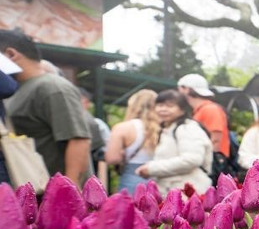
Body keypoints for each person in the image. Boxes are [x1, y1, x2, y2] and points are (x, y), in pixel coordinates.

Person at [0, 28, 93, 185]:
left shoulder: (53, 87)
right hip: (33, 189)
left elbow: (78, 140)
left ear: (11, 55)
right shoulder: (16, 89)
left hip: (55, 194)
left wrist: (69, 190)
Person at [136, 90, 213, 193]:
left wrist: (152, 169)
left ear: (182, 109)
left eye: (170, 106)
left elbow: (192, 159)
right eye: (160, 105)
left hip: (188, 192)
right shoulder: (168, 128)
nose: (163, 109)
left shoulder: (187, 128)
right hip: (172, 191)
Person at [105, 89, 160, 194]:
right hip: (159, 181)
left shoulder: (122, 128)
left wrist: (122, 155)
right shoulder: (163, 128)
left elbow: (112, 158)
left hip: (131, 179)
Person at [177, 73, 229, 158]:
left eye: (179, 89)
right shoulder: (200, 110)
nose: (178, 93)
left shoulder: (210, 109)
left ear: (186, 89)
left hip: (211, 162)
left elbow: (215, 140)